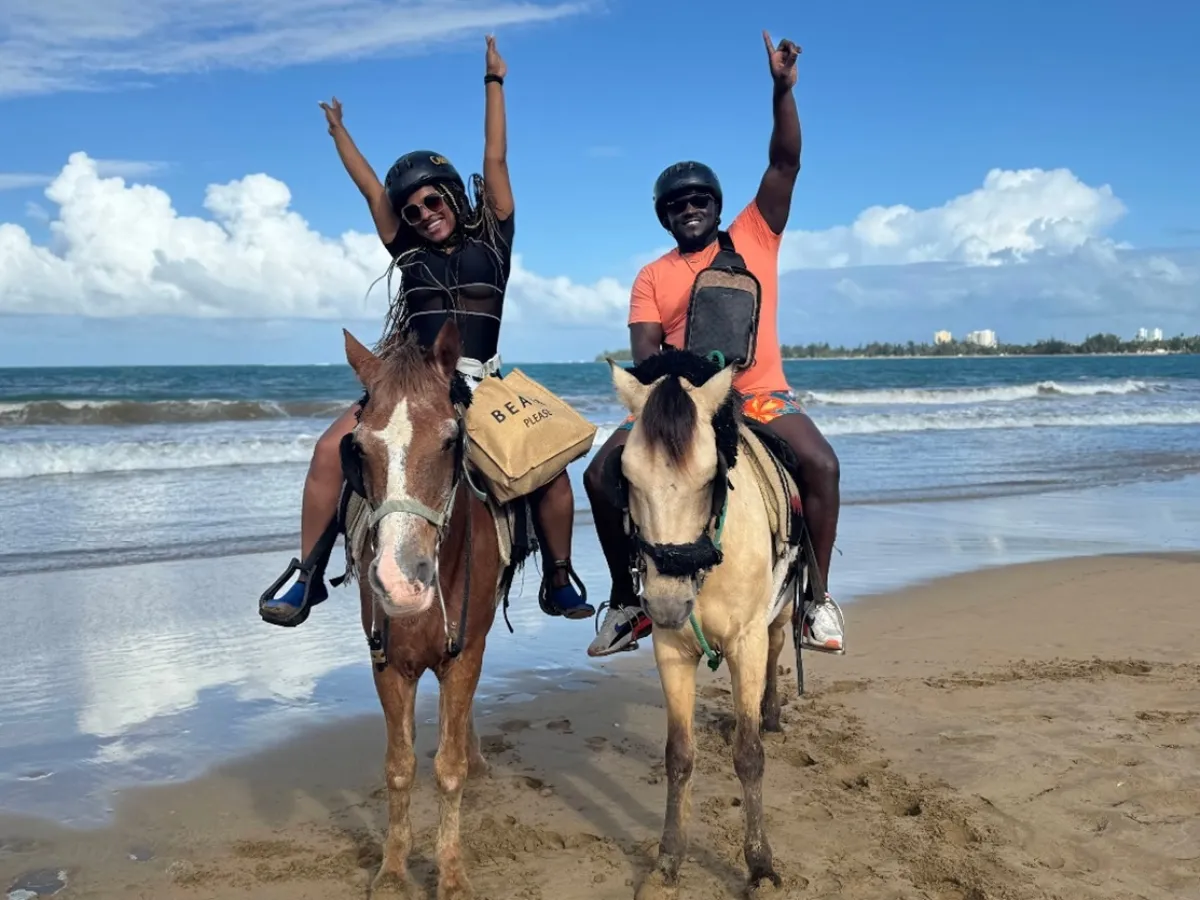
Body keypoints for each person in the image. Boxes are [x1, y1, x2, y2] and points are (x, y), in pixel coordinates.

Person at [260, 36, 593, 626]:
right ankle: (307, 574)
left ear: (453, 197)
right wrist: (339, 132)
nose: (422, 214)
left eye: (430, 201)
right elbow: (369, 189)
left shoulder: (494, 240)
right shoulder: (408, 256)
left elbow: (496, 158)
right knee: (327, 452)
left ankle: (559, 574)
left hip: (482, 384)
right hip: (414, 387)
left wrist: (495, 83)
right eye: (411, 210)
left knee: (553, 472)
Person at [582, 32, 844, 657]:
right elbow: (646, 360)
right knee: (598, 474)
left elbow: (785, 163)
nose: (689, 209)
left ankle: (817, 600)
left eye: (699, 199)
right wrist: (679, 400)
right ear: (664, 217)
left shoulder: (756, 234)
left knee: (823, 466)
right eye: (677, 205)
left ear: (717, 206)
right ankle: (626, 599)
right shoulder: (652, 276)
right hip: (680, 406)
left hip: (760, 397)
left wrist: (782, 91)